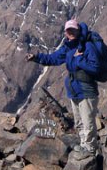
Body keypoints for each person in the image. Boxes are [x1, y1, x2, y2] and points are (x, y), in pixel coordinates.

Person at [26, 19, 101, 157]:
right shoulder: (68, 47)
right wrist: (36, 58)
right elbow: (53, 58)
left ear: (78, 30)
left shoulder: (87, 46)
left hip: (86, 90)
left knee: (87, 122)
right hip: (74, 90)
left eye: (73, 30)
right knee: (79, 122)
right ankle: (84, 145)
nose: (70, 33)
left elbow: (95, 67)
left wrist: (79, 59)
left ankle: (91, 150)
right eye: (68, 30)